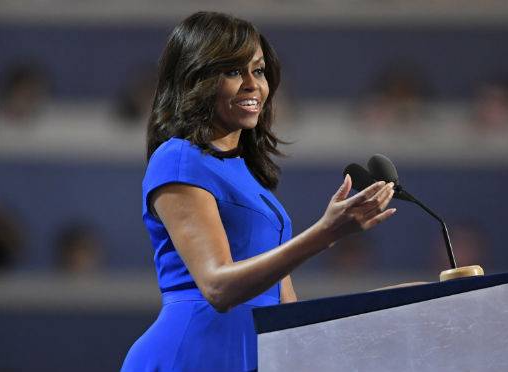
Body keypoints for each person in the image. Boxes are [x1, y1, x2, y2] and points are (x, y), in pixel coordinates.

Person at [121, 12, 396, 372]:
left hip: (257, 357)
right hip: (192, 355)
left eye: (259, 70)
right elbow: (218, 287)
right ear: (196, 79)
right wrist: (326, 233)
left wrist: (392, 305)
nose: (253, 84)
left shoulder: (246, 174)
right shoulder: (177, 159)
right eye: (233, 71)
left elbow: (288, 314)